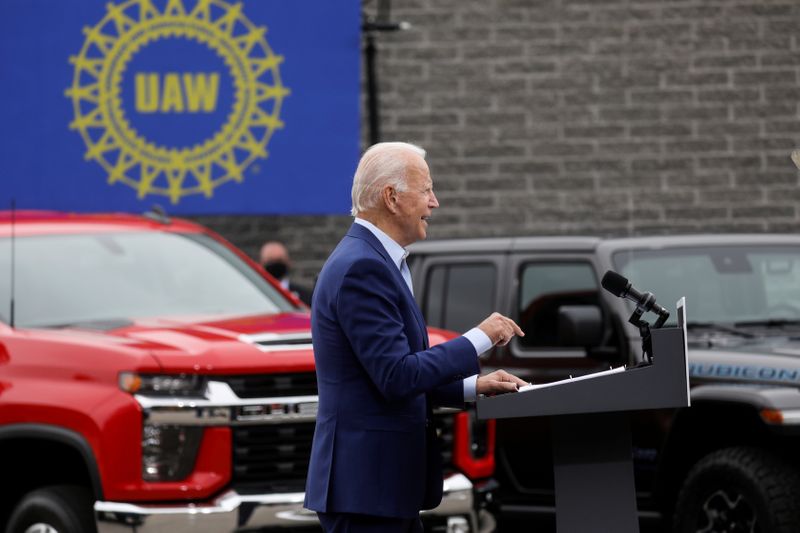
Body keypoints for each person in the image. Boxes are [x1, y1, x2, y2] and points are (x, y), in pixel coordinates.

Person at [304, 142, 527, 532]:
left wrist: (473, 387)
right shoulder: (362, 267)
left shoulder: (373, 260)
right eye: (426, 190)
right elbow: (396, 376)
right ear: (391, 198)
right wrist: (481, 336)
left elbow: (388, 377)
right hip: (366, 493)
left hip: (380, 490)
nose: (434, 202)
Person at [259, 240, 313, 305]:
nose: (275, 265)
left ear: (288, 262)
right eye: (270, 260)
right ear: (261, 264)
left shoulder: (306, 296)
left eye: (280, 260)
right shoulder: (255, 294)